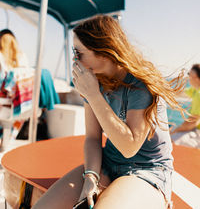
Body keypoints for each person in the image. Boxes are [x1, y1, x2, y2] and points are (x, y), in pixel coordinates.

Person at [33, 15, 185, 209]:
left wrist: (93, 95)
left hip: (147, 171)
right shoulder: (95, 80)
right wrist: (91, 177)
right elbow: (93, 138)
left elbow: (129, 147)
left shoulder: (140, 84)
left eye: (79, 53)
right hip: (108, 163)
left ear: (104, 52)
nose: (75, 59)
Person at [171, 64, 200, 147]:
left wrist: (175, 131)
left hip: (197, 132)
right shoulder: (195, 90)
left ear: (196, 77)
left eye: (189, 75)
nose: (188, 77)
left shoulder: (198, 94)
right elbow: (180, 93)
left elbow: (193, 122)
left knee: (170, 140)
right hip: (195, 129)